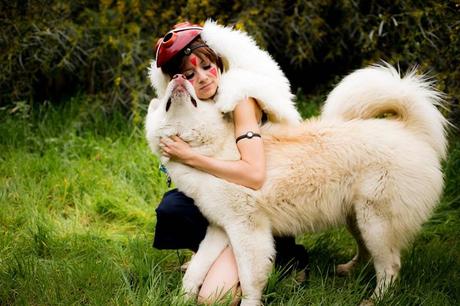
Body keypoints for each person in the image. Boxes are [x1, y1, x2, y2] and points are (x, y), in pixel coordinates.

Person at [149, 20, 309, 304]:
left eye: (207, 66)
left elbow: (254, 175)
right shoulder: (195, 104)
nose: (203, 78)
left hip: (259, 209)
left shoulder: (241, 100)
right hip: (228, 206)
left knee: (213, 299)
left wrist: (190, 157)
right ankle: (214, 255)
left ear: (220, 61)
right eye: (189, 73)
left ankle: (287, 260)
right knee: (174, 205)